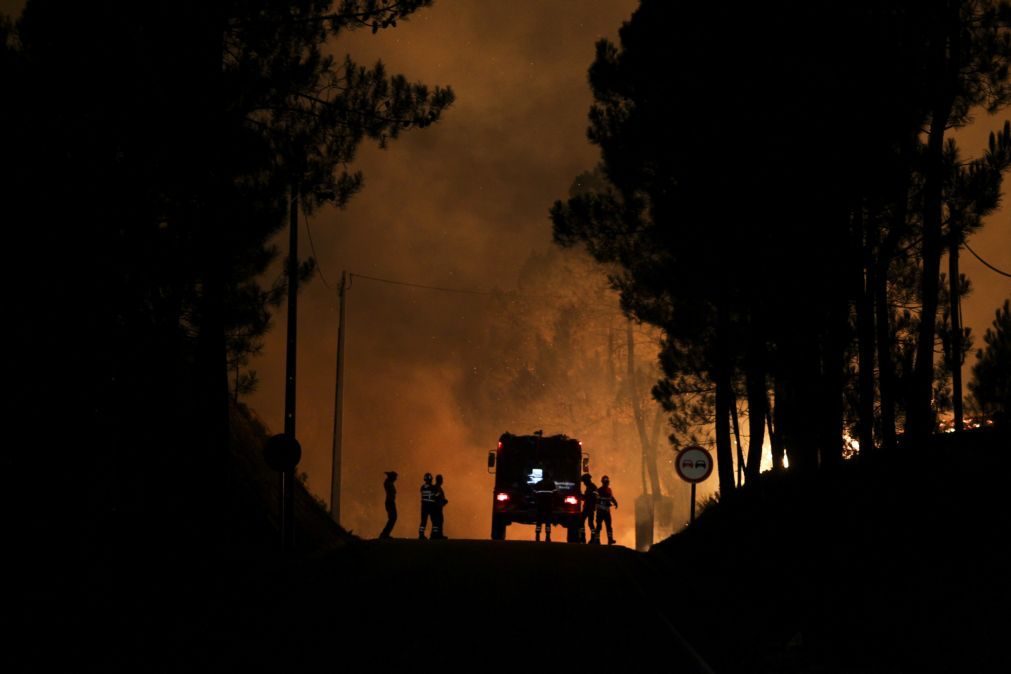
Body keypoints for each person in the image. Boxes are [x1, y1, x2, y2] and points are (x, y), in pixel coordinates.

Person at [592, 474, 619, 545]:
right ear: (603, 482)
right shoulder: (599, 490)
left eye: (607, 481)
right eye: (606, 481)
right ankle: (597, 540)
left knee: (608, 526)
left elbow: (611, 497)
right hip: (600, 511)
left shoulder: (609, 490)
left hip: (606, 511)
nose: (607, 483)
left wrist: (615, 502)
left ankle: (610, 539)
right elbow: (596, 499)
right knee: (599, 526)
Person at [533, 469, 557, 542]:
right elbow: (555, 493)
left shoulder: (538, 483)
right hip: (548, 505)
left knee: (539, 521)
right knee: (548, 521)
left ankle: (537, 536)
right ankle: (547, 536)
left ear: (542, 476)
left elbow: (534, 492)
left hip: (540, 504)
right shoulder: (551, 483)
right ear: (548, 476)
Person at [579, 473, 598, 543]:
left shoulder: (592, 487)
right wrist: (582, 496)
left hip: (589, 508)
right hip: (588, 507)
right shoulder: (590, 487)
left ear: (587, 480)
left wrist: (582, 496)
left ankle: (591, 538)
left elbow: (592, 498)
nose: (584, 483)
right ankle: (586, 538)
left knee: (587, 522)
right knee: (587, 522)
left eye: (584, 481)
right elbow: (588, 498)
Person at [379, 471, 398, 539]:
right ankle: (384, 534)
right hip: (390, 502)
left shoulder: (389, 483)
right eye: (395, 477)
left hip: (391, 502)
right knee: (393, 518)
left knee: (392, 518)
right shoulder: (388, 483)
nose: (396, 479)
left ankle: (385, 534)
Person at [419, 472, 436, 539]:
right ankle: (434, 535)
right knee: (434, 521)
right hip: (431, 506)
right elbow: (436, 495)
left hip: (424, 506)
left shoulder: (422, 487)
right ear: (430, 479)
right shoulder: (432, 487)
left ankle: (421, 534)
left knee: (423, 521)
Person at [431, 474, 448, 539]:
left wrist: (443, 500)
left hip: (438, 507)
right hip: (436, 508)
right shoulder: (436, 487)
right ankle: (436, 535)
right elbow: (436, 496)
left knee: (438, 521)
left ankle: (437, 535)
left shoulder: (437, 487)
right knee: (438, 521)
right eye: (441, 479)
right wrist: (442, 499)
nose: (442, 481)